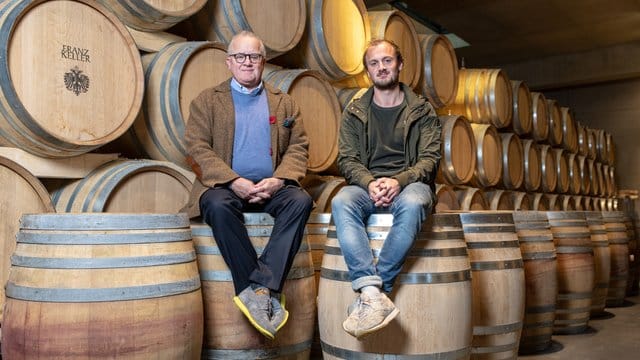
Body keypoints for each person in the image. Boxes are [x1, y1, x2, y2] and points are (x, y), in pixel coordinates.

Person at [182, 31, 313, 340]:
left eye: (253, 56)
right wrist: (233, 180)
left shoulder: (285, 102)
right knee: (215, 204)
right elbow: (196, 149)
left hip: (272, 186)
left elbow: (299, 147)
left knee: (300, 201)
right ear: (229, 62)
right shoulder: (207, 100)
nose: (247, 62)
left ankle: (263, 286)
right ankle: (252, 288)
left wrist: (279, 178)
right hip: (226, 186)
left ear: (263, 62)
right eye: (240, 56)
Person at [331, 39, 442, 339]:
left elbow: (430, 159)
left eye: (387, 61)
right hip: (366, 186)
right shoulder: (354, 111)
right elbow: (347, 159)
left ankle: (375, 292)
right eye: (374, 63)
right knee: (342, 201)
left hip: (408, 184)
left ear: (400, 64)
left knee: (417, 202)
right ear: (368, 70)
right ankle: (370, 290)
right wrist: (369, 182)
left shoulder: (422, 110)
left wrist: (399, 181)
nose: (381, 67)